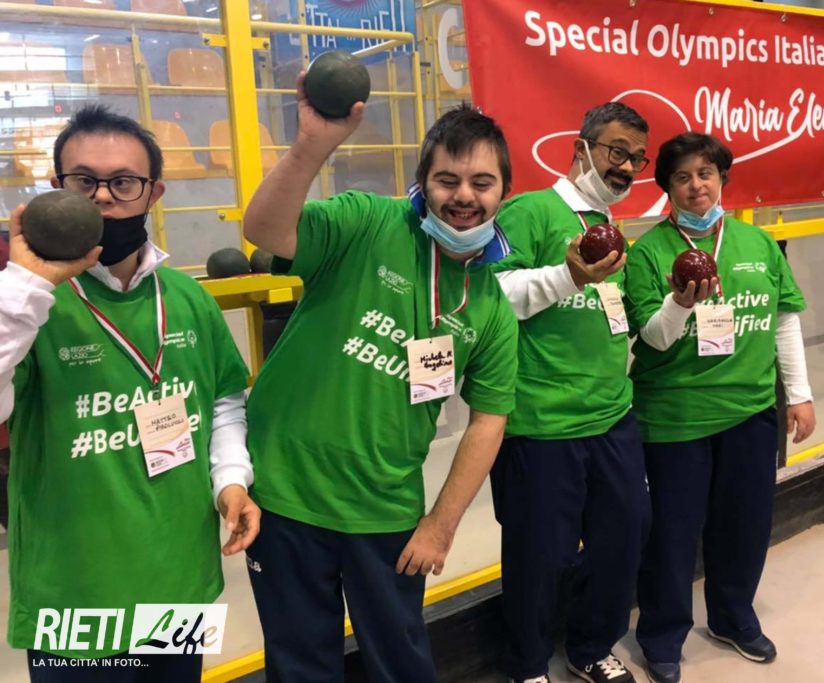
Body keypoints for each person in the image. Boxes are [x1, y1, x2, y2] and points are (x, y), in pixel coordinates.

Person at [241, 81, 519, 682]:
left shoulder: (491, 307)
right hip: (284, 496)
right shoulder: (367, 222)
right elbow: (265, 231)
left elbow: (489, 421)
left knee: (400, 664)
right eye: (446, 180)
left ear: (504, 193)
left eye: (481, 183)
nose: (463, 196)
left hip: (387, 510)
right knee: (299, 664)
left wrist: (441, 525)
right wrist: (311, 146)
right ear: (423, 182)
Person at [0, 104, 260, 682]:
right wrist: (21, 287)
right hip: (74, 594)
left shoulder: (187, 298)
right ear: (56, 187)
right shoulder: (27, 304)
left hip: (180, 579)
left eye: (122, 182)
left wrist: (231, 480)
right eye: (83, 181)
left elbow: (222, 400)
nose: (102, 197)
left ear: (153, 193)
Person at [623, 133, 815, 683]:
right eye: (682, 177)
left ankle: (733, 618)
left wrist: (799, 393)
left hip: (750, 412)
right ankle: (662, 636)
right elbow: (653, 339)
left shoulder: (758, 243)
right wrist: (680, 304)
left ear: (722, 179)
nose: (696, 186)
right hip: (675, 418)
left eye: (705, 173)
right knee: (672, 535)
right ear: (667, 188)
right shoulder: (648, 253)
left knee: (745, 526)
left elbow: (783, 320)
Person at [489, 102, 650, 683]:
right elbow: (492, 295)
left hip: (612, 416)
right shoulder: (530, 211)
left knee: (623, 537)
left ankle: (589, 647)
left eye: (636, 158)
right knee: (540, 555)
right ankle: (527, 664)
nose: (625, 166)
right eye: (616, 151)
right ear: (579, 148)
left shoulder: (611, 231)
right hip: (541, 422)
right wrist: (568, 276)